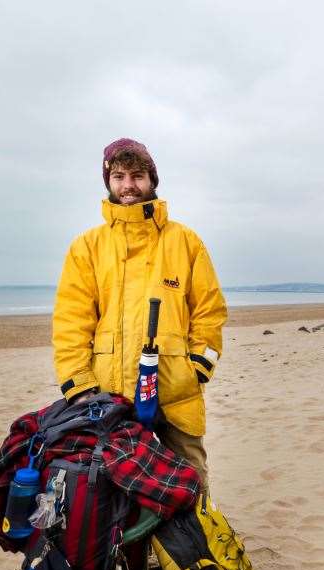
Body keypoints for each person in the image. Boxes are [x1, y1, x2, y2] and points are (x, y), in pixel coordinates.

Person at [51, 138, 226, 493]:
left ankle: (197, 546)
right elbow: (71, 322)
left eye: (137, 175)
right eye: (118, 176)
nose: (128, 185)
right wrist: (80, 385)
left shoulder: (186, 241)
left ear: (152, 180)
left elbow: (209, 311)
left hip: (177, 389)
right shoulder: (87, 246)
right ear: (109, 182)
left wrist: (196, 369)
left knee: (191, 480)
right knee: (112, 484)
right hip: (108, 394)